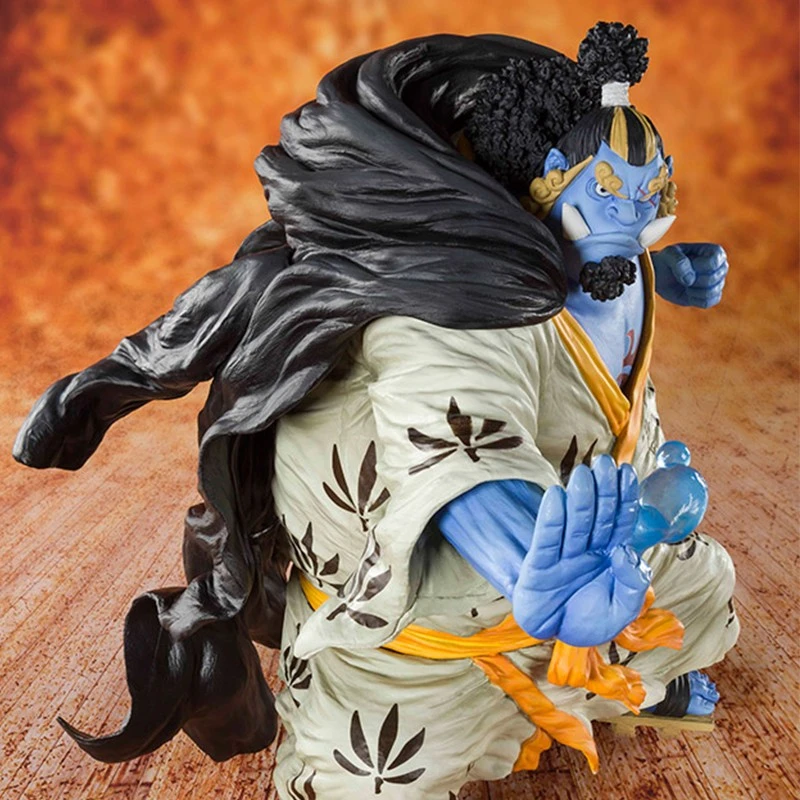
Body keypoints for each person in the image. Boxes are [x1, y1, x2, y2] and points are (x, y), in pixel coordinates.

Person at [13, 23, 737, 799]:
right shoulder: (447, 319)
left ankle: (614, 664)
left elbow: (606, 278)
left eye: (652, 191)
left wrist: (662, 270)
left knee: (702, 589)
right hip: (438, 623)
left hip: (609, 551)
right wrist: (535, 566)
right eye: (610, 192)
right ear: (548, 186)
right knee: (369, 772)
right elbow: (460, 451)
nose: (634, 214)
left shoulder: (604, 255)